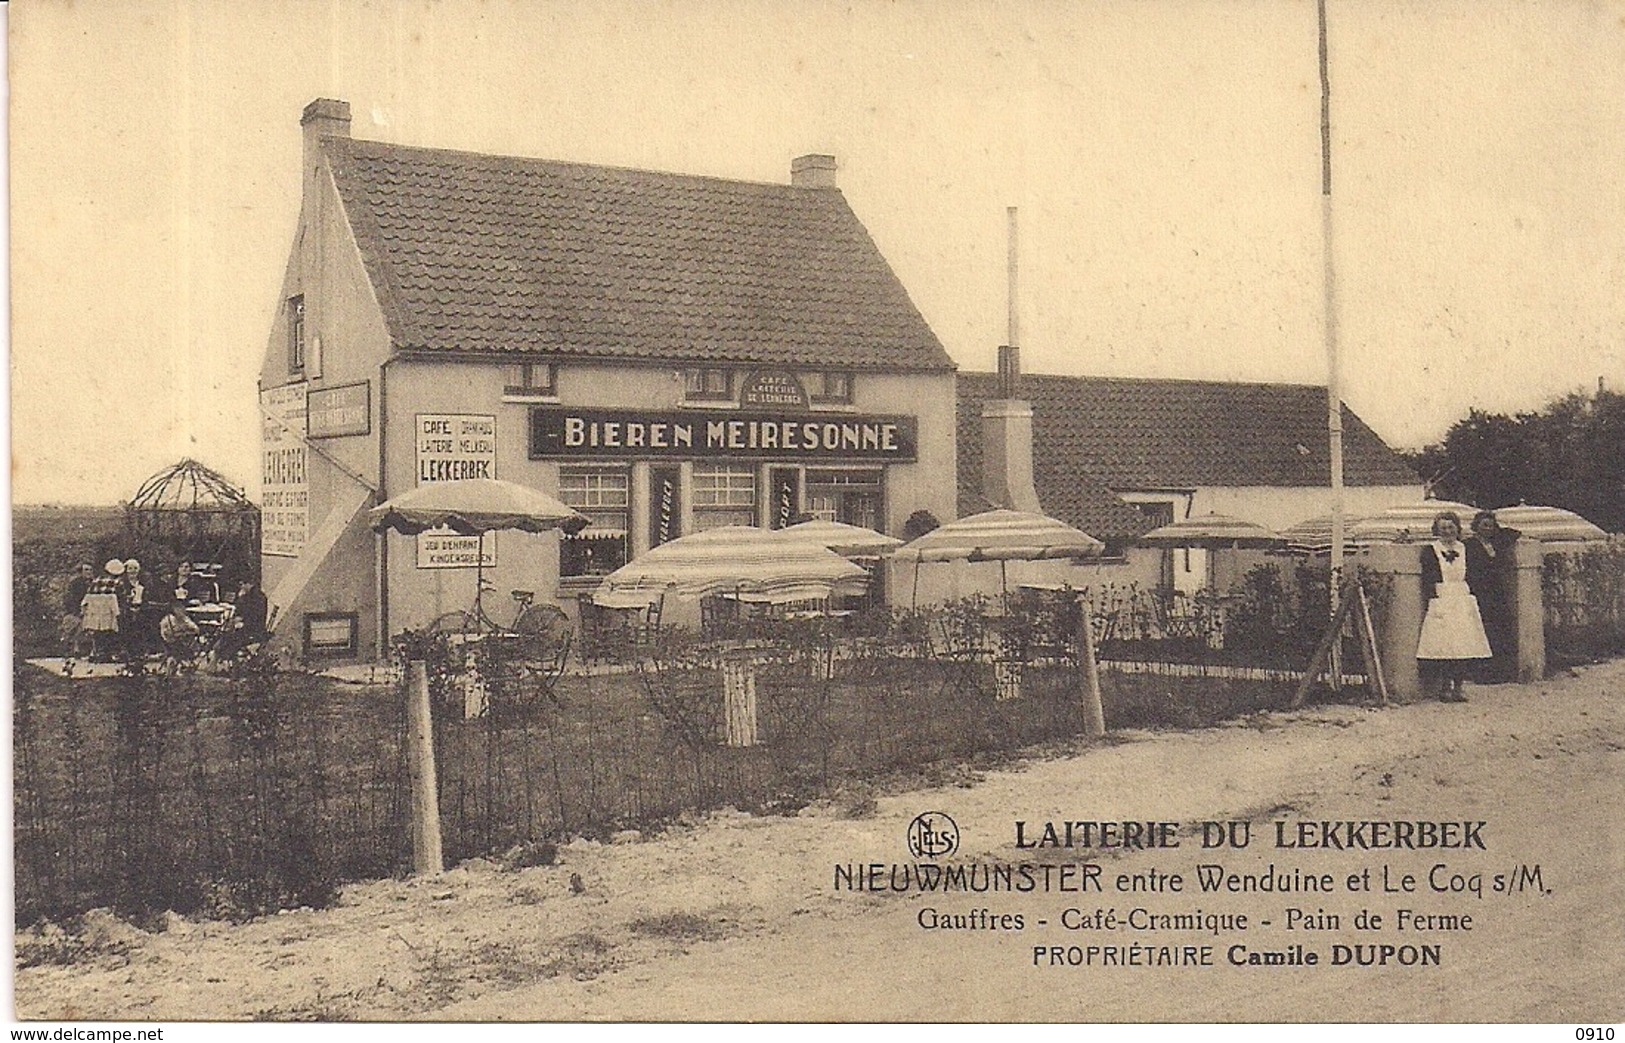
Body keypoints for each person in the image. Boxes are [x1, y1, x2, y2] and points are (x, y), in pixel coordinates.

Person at [1417, 511, 1492, 702]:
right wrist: (1434, 598)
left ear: (1457, 529)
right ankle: (1445, 687)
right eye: (1443, 528)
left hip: (1462, 598)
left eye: (1451, 527)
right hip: (1442, 597)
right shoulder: (1431, 550)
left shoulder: (1466, 548)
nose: (1448, 531)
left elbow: (1476, 573)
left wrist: (1471, 593)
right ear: (1437, 530)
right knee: (1444, 645)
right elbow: (1428, 578)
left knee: (1463, 644)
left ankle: (1459, 687)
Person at [1467, 509, 1522, 683]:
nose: (1488, 529)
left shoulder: (1496, 543)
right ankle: (1482, 674)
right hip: (1478, 590)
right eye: (1484, 525)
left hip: (1495, 591)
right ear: (1476, 527)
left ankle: (1500, 672)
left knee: (1500, 629)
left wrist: (1497, 532)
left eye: (1491, 525)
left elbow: (1515, 533)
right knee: (1483, 629)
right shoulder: (1469, 544)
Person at [81, 559, 125, 662]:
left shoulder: (94, 582)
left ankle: (98, 651)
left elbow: (87, 598)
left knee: (99, 633)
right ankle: (115, 651)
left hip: (95, 616)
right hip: (111, 615)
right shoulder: (117, 583)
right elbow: (122, 599)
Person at [217, 579, 269, 659]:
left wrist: (241, 598)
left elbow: (249, 616)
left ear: (249, 584)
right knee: (226, 636)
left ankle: (224, 659)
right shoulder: (256, 595)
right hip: (256, 629)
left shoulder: (253, 598)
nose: (242, 586)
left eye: (243, 584)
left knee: (227, 638)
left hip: (253, 632)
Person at [59, 563, 95, 655]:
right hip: (78, 609)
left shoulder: (95, 582)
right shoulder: (75, 583)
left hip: (93, 610)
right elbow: (71, 598)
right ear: (81, 572)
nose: (89, 572)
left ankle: (93, 650)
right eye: (86, 570)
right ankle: (75, 648)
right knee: (78, 624)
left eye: (90, 570)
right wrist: (77, 611)